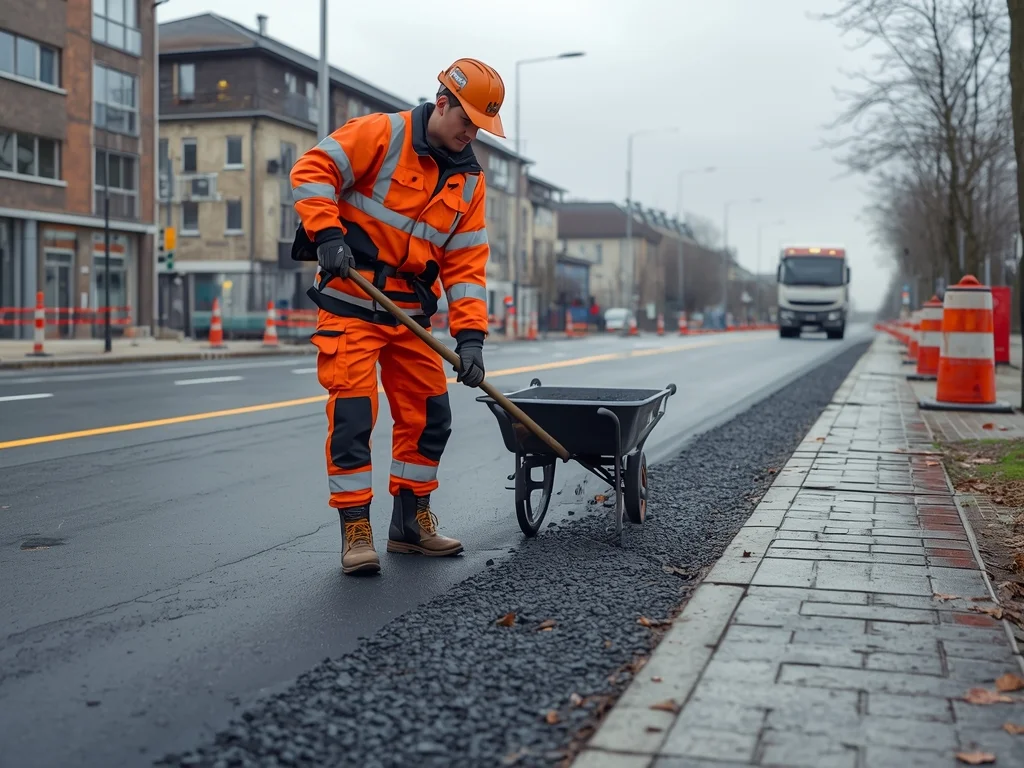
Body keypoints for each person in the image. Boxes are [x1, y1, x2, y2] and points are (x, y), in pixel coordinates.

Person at [289, 59, 504, 575]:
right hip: (352, 300)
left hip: (409, 315)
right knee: (354, 417)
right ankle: (355, 529)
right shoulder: (382, 133)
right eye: (466, 120)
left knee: (430, 416)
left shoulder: (469, 183)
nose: (470, 133)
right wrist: (328, 235)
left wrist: (471, 338)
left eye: (479, 127)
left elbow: (466, 266)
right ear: (443, 101)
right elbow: (312, 170)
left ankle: (410, 524)